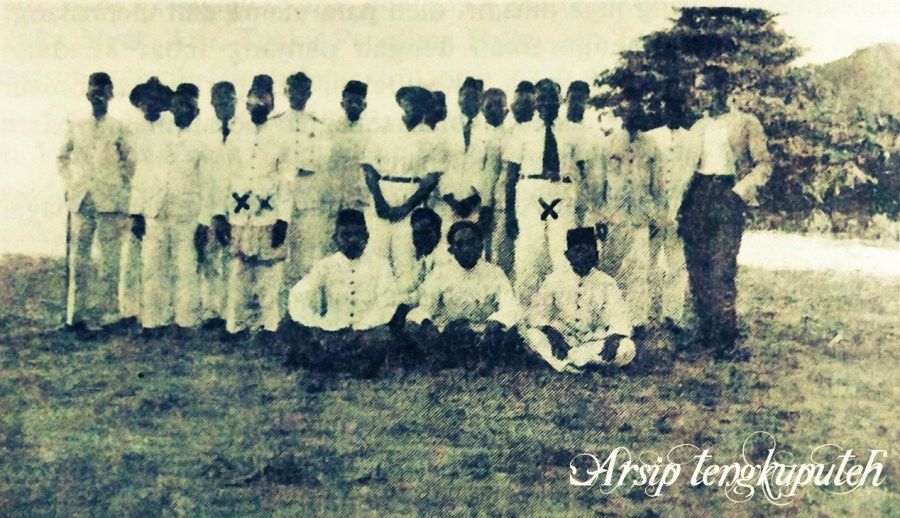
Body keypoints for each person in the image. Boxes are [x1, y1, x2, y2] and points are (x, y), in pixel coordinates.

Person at [679, 66, 772, 357]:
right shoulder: (698, 127)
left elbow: (764, 164)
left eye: (705, 88)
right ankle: (703, 333)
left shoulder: (746, 122)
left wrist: (739, 192)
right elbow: (685, 169)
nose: (700, 95)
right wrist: (679, 204)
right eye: (698, 88)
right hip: (697, 196)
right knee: (697, 268)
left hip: (727, 194)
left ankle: (725, 338)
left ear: (722, 89)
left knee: (721, 269)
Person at [57, 72, 134, 332]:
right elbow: (62, 158)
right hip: (82, 201)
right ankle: (75, 317)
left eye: (103, 92)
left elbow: (130, 162)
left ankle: (108, 315)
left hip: (110, 202)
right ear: (87, 95)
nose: (99, 97)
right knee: (79, 260)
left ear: (111, 95)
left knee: (109, 261)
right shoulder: (76, 126)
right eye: (94, 92)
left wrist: (119, 187)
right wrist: (71, 183)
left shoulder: (119, 127)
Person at [284, 209, 399, 378]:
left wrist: (360, 329)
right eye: (345, 235)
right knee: (290, 326)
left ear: (367, 237)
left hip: (364, 333)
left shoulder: (380, 266)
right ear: (335, 238)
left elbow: (387, 302)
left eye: (358, 235)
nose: (352, 240)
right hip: (331, 331)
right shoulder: (325, 265)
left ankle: (327, 364)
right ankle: (335, 362)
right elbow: (299, 294)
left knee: (381, 338)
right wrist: (316, 326)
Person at [130, 83, 205, 334]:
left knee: (185, 268)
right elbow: (142, 174)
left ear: (196, 111)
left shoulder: (202, 140)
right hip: (156, 211)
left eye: (188, 106)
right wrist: (136, 212)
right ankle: (153, 321)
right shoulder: (158, 137)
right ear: (171, 108)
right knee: (153, 267)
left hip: (187, 214)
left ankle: (185, 321)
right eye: (178, 105)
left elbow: (209, 182)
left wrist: (204, 220)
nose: (182, 110)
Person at [221, 75, 291, 336]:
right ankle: (236, 325)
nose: (259, 104)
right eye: (254, 98)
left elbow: (287, 179)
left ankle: (269, 326)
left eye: (264, 99)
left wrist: (283, 219)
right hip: (239, 214)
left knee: (269, 273)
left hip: (269, 214)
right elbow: (225, 176)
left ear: (272, 104)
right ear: (246, 103)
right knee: (239, 270)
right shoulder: (236, 135)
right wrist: (221, 214)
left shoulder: (281, 136)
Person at [406, 221, 521, 370]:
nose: (466, 248)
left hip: (485, 332)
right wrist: (427, 324)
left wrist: (495, 322)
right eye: (459, 244)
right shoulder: (440, 274)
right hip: (451, 333)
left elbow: (510, 306)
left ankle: (481, 359)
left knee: (511, 331)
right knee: (412, 325)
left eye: (471, 242)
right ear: (451, 250)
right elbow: (426, 307)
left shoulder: (494, 273)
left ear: (480, 246)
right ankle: (446, 357)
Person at [524, 227, 636, 372]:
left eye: (587, 251)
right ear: (567, 255)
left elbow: (619, 315)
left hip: (594, 342)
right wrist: (551, 332)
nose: (582, 256)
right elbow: (537, 314)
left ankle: (569, 364)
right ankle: (583, 365)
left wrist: (614, 337)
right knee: (532, 335)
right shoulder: (554, 280)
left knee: (627, 347)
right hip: (563, 342)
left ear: (596, 255)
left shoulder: (606, 282)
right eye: (577, 251)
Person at [361, 86, 442, 283]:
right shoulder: (384, 130)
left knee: (405, 256)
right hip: (383, 192)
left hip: (412, 195)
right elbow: (369, 167)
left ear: (426, 107)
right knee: (376, 254)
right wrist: (378, 200)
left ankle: (404, 300)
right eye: (408, 101)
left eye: (419, 102)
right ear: (400, 103)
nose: (413, 106)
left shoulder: (431, 137)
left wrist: (407, 207)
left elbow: (431, 177)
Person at [506, 78, 576, 302]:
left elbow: (582, 172)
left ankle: (563, 308)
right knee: (529, 253)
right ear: (535, 101)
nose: (547, 103)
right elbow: (510, 176)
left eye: (552, 98)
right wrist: (509, 214)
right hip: (530, 192)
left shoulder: (571, 131)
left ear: (560, 100)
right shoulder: (522, 131)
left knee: (562, 252)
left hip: (562, 193)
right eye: (542, 98)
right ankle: (526, 311)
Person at [597, 111, 666, 329]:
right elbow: (599, 184)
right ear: (622, 116)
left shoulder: (652, 146)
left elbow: (658, 186)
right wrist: (600, 217)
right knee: (610, 268)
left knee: (639, 267)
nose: (632, 117)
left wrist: (656, 217)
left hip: (640, 216)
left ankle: (636, 320)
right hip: (613, 216)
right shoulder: (608, 143)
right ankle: (607, 318)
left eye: (636, 112)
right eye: (628, 112)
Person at [126, 77, 175, 331]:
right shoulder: (132, 132)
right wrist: (136, 212)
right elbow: (135, 173)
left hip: (171, 205)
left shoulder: (172, 129)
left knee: (167, 263)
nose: (151, 104)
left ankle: (167, 316)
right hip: (142, 206)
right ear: (140, 103)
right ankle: (140, 315)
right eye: (146, 100)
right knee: (143, 264)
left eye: (156, 99)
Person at [196, 81, 240, 328]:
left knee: (235, 260)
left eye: (228, 98)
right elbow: (202, 176)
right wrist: (212, 214)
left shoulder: (245, 130)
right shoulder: (202, 132)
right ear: (211, 102)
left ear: (236, 100)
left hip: (238, 206)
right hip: (209, 205)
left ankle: (231, 312)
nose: (224, 103)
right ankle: (212, 312)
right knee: (210, 258)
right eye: (219, 98)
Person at [277, 71, 327, 284]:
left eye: (302, 91)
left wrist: (291, 167)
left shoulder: (318, 125)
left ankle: (301, 301)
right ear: (285, 92)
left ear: (309, 94)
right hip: (279, 196)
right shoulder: (275, 123)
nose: (297, 95)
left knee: (305, 254)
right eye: (292, 90)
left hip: (307, 197)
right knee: (277, 250)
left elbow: (321, 158)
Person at [645, 120, 694, 332]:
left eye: (679, 107)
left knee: (676, 264)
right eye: (670, 106)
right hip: (653, 213)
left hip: (678, 211)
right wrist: (650, 212)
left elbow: (693, 178)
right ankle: (641, 315)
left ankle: (672, 316)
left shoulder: (692, 139)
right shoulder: (651, 137)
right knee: (646, 263)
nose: (675, 111)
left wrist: (685, 210)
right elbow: (645, 177)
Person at [556, 81, 602, 227]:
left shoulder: (593, 132)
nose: (576, 104)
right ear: (566, 98)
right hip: (557, 191)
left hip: (583, 194)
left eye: (581, 100)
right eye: (573, 99)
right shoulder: (556, 127)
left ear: (587, 102)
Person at [475, 87, 511, 273]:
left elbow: (493, 173)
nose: (494, 110)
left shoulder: (510, 135)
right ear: (482, 109)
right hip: (479, 204)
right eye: (489, 106)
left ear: (507, 110)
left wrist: (487, 205)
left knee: (500, 255)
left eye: (499, 105)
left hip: (500, 204)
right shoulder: (477, 135)